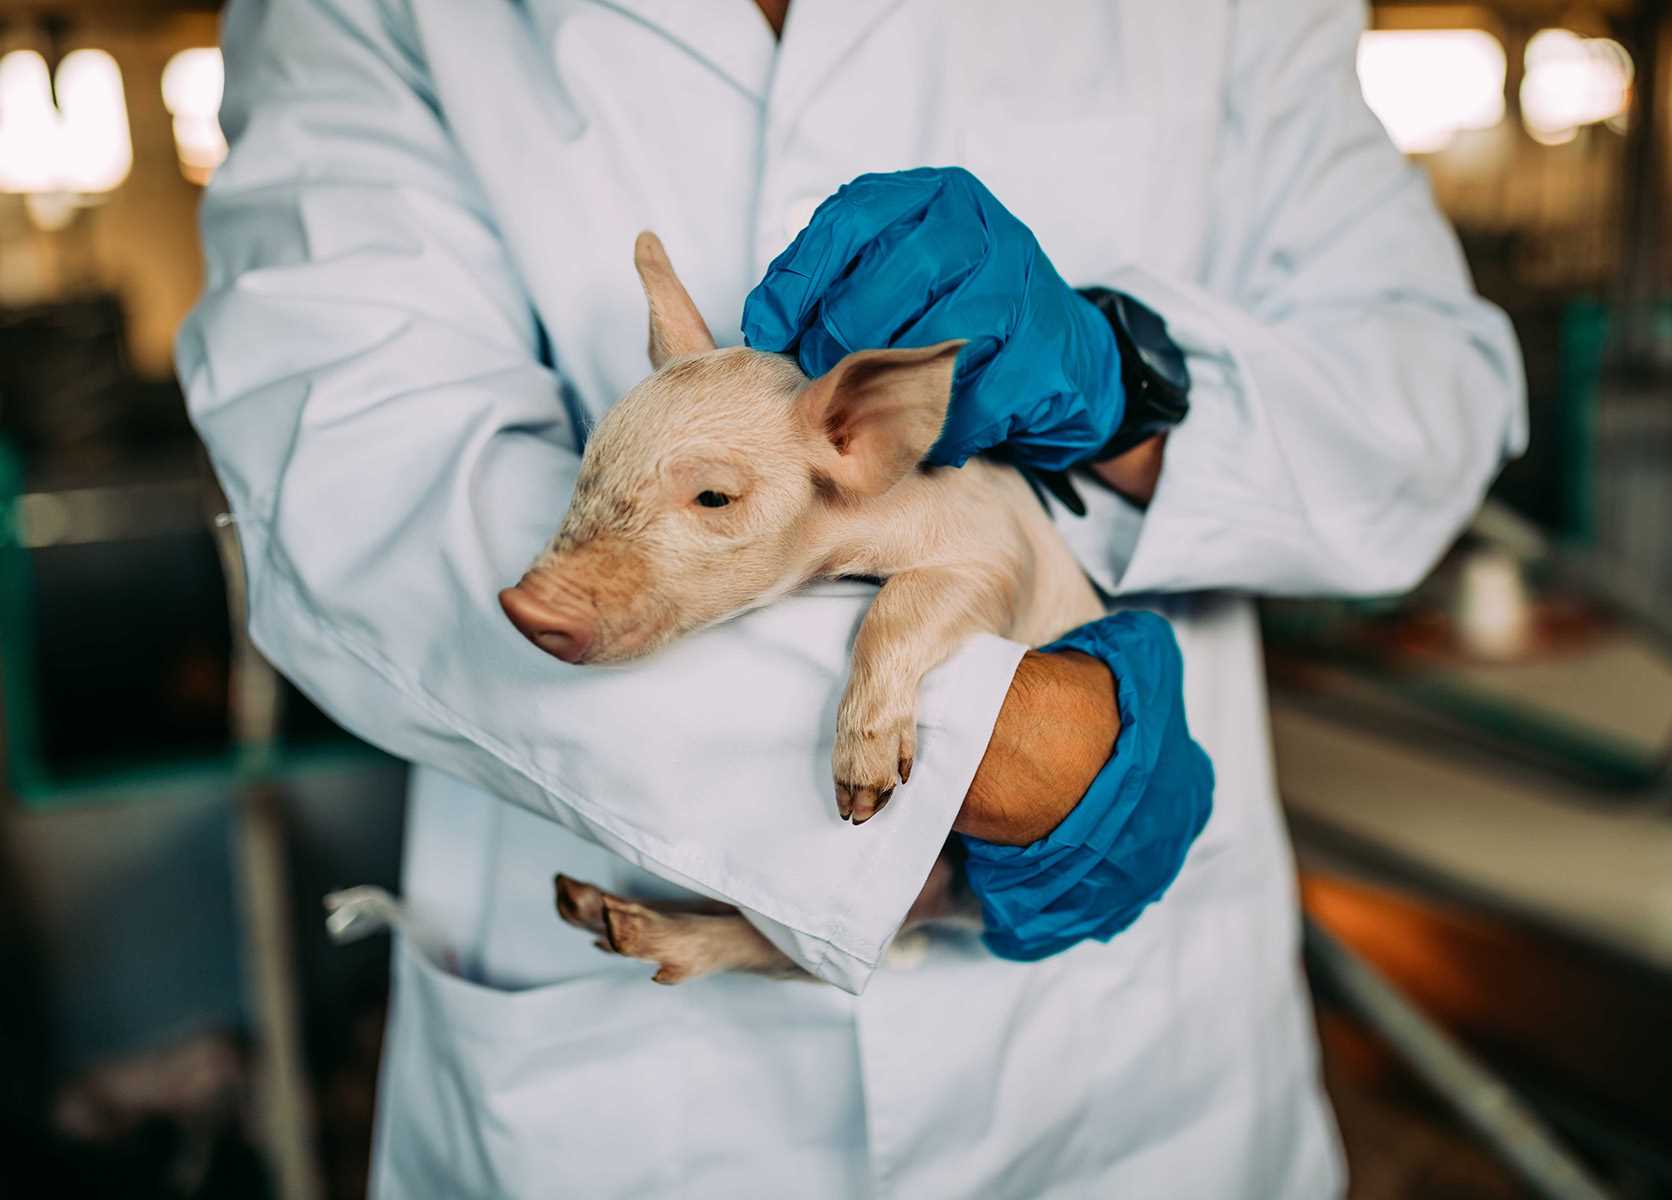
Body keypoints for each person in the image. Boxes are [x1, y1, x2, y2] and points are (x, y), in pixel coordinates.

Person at [177, 1, 1525, 1196]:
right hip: (633, 1111)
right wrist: (1004, 745)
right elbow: (355, 469)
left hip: (1138, 1088)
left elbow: (1436, 398)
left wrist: (1124, 378)